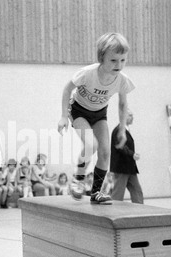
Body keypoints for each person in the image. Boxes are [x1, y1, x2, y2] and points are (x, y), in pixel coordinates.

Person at [58, 32, 135, 205]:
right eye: (113, 60)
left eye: (123, 60)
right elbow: (66, 89)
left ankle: (96, 192)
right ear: (102, 57)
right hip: (78, 110)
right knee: (91, 144)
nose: (119, 65)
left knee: (105, 152)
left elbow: (123, 105)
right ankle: (78, 179)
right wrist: (63, 116)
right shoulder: (88, 73)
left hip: (100, 114)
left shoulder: (122, 80)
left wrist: (122, 129)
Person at [110, 109, 144, 204]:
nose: (132, 117)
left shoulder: (126, 130)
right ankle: (113, 212)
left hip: (130, 168)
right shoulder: (118, 130)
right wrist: (132, 154)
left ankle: (140, 211)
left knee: (137, 191)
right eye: (130, 115)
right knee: (118, 194)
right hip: (121, 168)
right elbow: (120, 147)